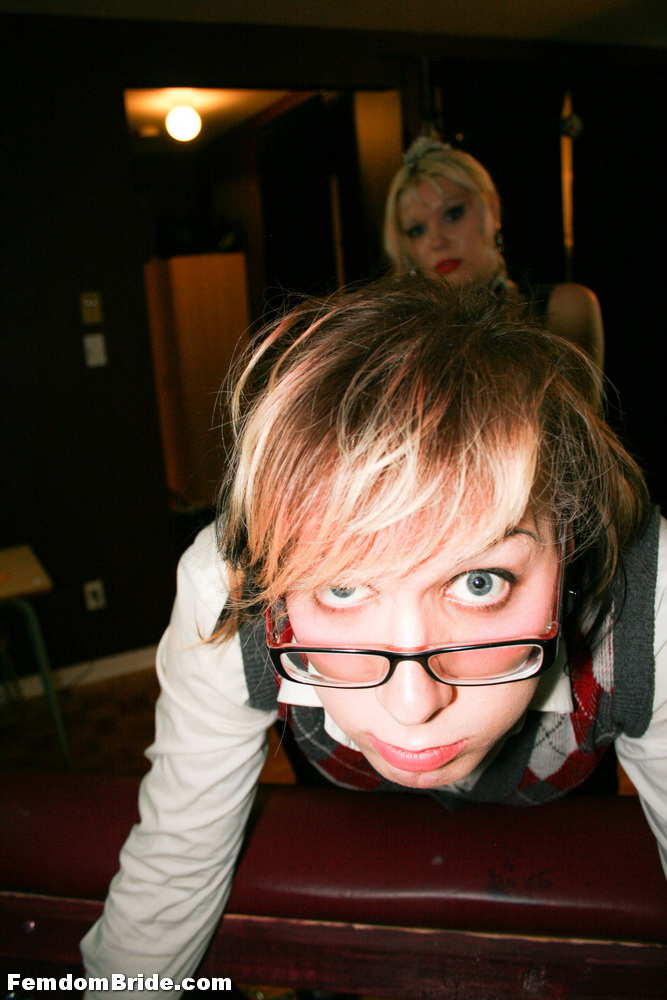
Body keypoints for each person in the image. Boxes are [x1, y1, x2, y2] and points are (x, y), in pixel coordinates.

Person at [82, 275, 664, 995]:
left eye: (479, 582)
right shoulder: (229, 590)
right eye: (341, 589)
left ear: (569, 540)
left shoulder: (648, 595)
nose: (413, 705)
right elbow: (174, 859)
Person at [384, 137, 605, 367]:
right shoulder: (397, 340)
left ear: (492, 208)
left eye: (453, 214)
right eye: (417, 230)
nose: (437, 241)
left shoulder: (565, 308)